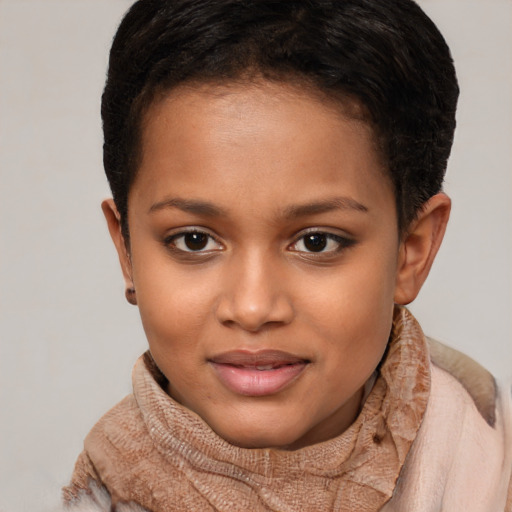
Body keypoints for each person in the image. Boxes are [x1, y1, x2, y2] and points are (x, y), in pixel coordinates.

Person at [62, 0, 512, 510]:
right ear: (127, 250)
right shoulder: (104, 488)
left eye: (317, 242)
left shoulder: (488, 467)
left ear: (411, 252)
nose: (253, 308)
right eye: (194, 240)